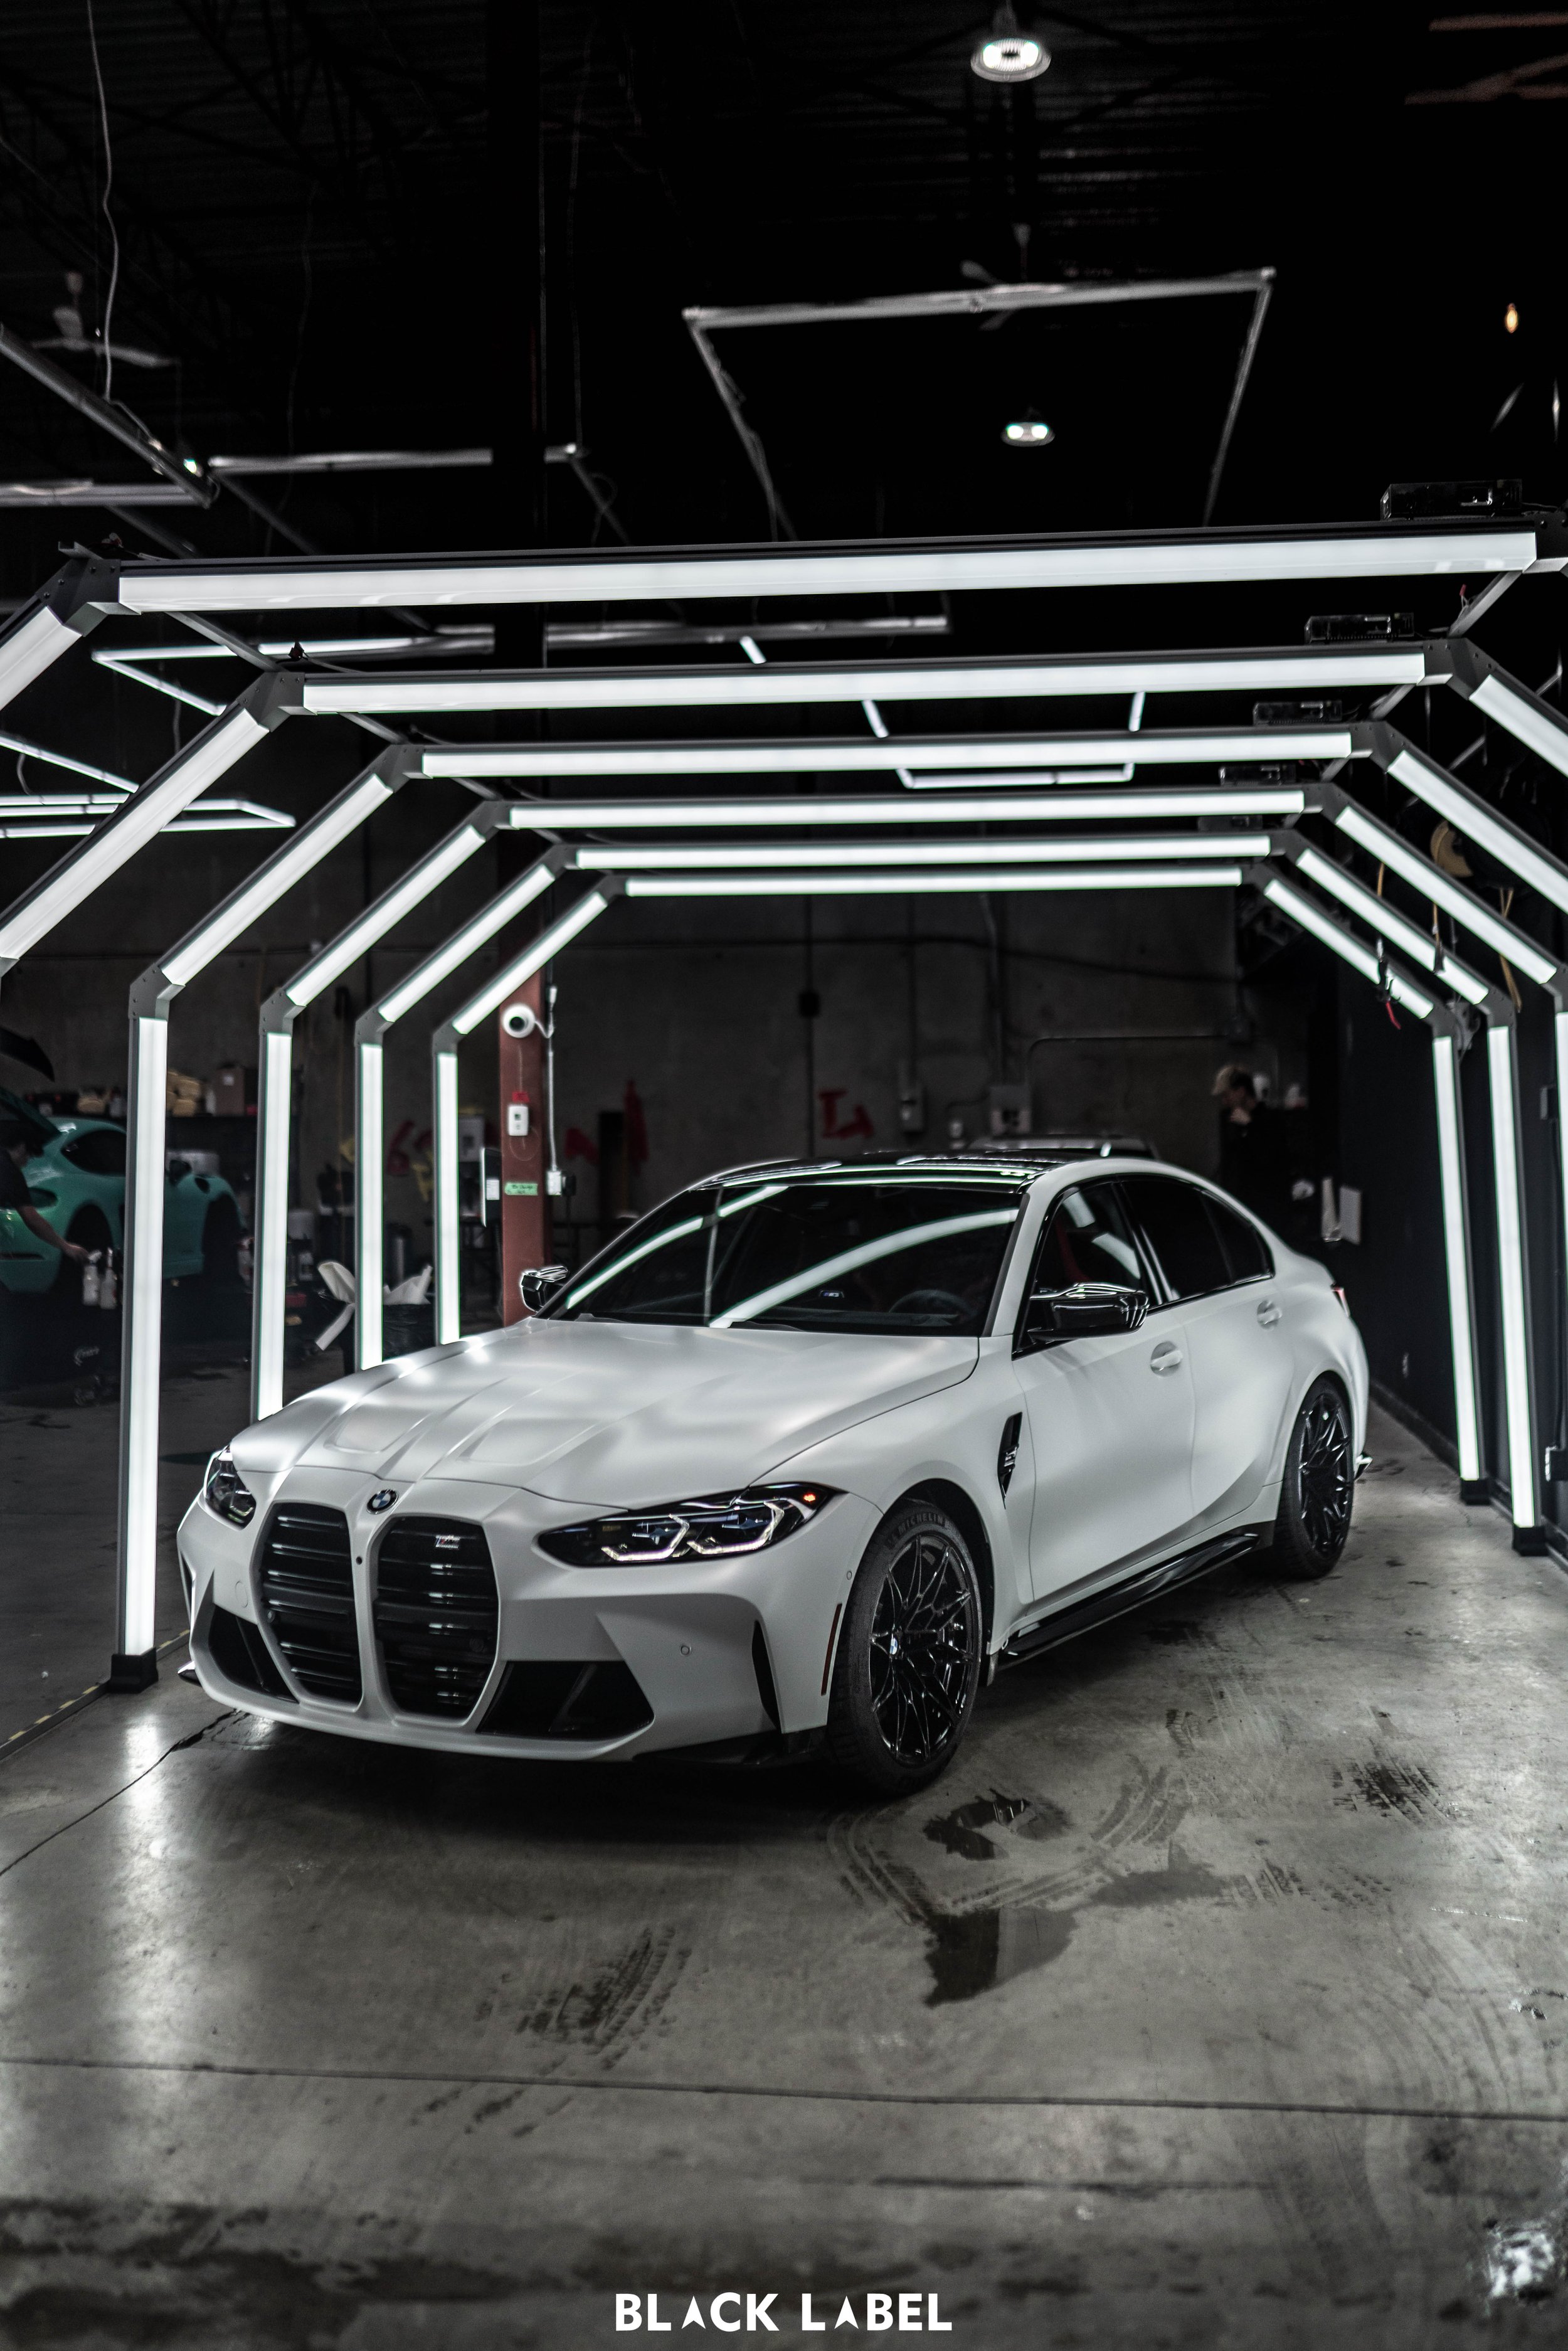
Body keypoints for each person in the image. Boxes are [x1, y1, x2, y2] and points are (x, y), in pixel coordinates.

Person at [1210, 1064, 1295, 1231]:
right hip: (1241, 1207)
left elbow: (1272, 1160)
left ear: (1241, 1092)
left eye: (1227, 1095)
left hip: (1268, 1209)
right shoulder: (1229, 1120)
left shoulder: (1269, 1121)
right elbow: (1229, 1164)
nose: (1225, 1101)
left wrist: (1250, 1127)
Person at [0, 1118, 88, 1264]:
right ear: (22, 1147)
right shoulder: (10, 1171)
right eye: (29, 1155)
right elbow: (32, 1219)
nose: (27, 1162)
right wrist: (66, 1247)